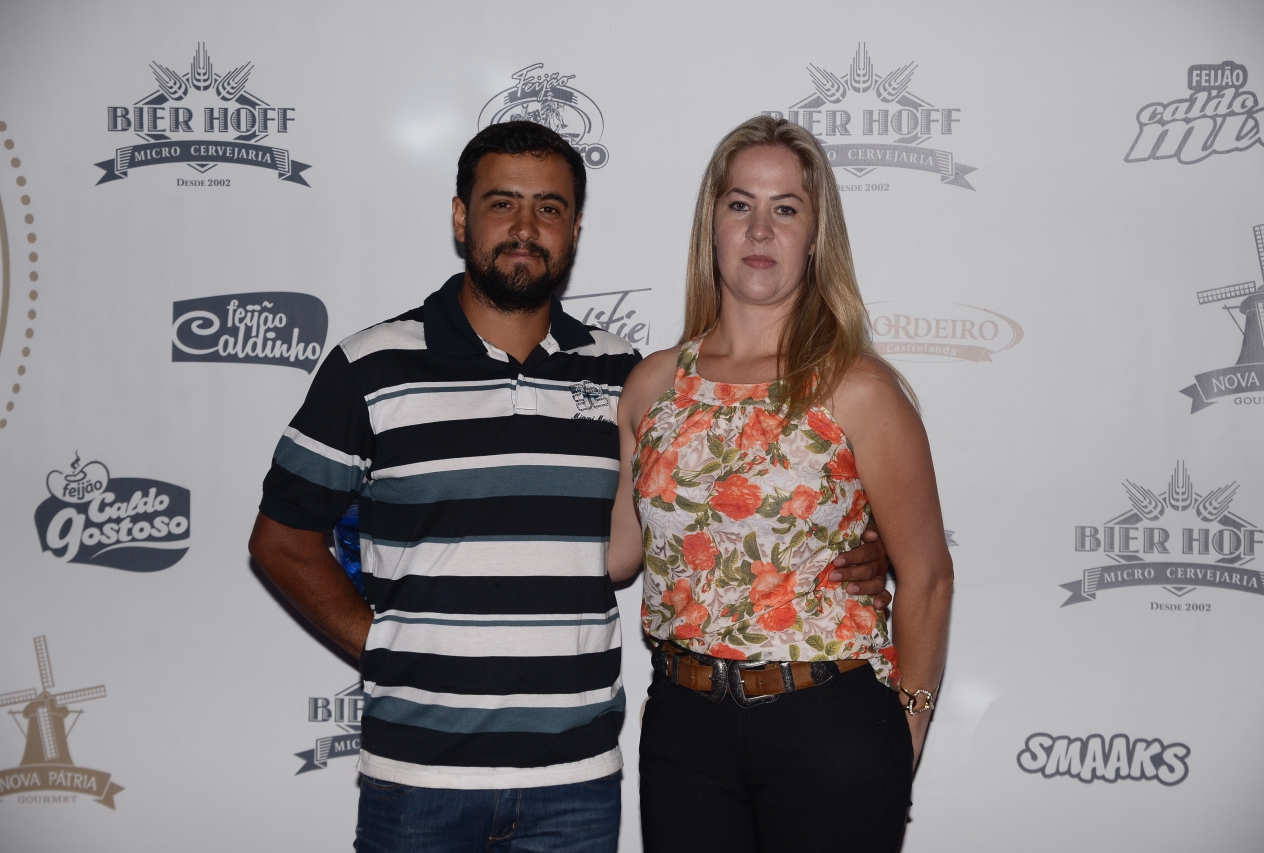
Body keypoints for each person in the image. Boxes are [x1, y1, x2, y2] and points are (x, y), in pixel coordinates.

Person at [247, 120, 894, 853]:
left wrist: (856, 542)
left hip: (576, 781)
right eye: (502, 203)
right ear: (461, 217)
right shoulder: (371, 367)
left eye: (549, 208)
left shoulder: (629, 377)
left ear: (575, 228)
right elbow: (281, 540)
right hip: (419, 777)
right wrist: (387, 651)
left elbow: (713, 502)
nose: (525, 228)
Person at [608, 116, 954, 852]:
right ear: (712, 224)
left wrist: (910, 722)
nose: (760, 229)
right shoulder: (652, 385)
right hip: (682, 730)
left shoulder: (859, 389)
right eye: (740, 204)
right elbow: (615, 555)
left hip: (829, 726)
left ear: (816, 235)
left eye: (786, 209)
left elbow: (926, 578)